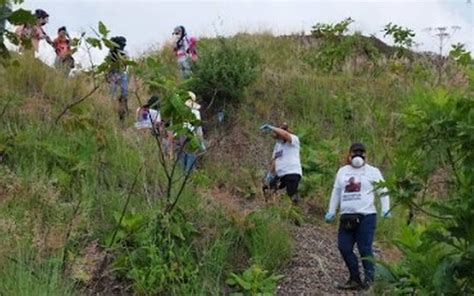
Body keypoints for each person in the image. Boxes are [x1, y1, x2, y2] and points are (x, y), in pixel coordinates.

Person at [324, 142, 391, 290]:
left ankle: (369, 282)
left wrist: (386, 208)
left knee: (365, 249)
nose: (358, 155)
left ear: (366, 155)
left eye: (361, 152)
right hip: (346, 217)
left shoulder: (373, 171)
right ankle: (355, 278)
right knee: (344, 247)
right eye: (355, 152)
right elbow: (336, 192)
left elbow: (383, 190)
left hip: (366, 216)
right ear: (349, 154)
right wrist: (331, 210)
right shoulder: (342, 171)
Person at [260, 122, 302, 204]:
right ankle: (270, 206)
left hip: (292, 173)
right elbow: (275, 160)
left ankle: (294, 210)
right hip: (280, 174)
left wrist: (272, 128)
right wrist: (270, 174)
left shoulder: (294, 139)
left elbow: (285, 135)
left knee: (291, 195)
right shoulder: (277, 146)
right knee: (267, 188)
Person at [106, 36, 129, 121]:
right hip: (114, 74)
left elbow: (125, 65)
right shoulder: (111, 53)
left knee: (123, 94)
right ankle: (114, 110)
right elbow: (108, 65)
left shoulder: (125, 53)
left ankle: (123, 110)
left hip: (122, 73)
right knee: (113, 94)